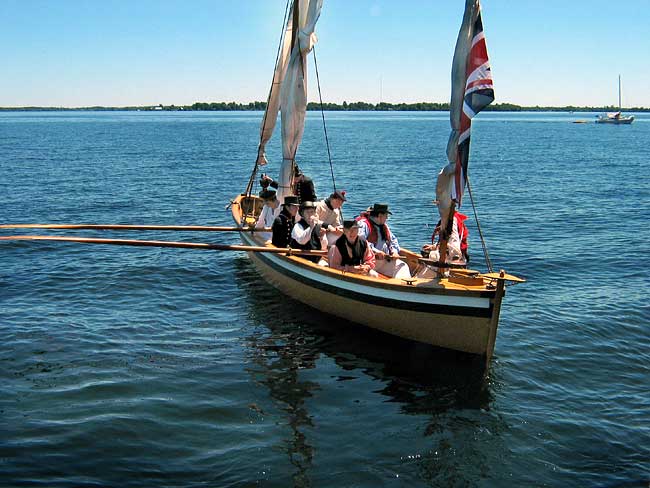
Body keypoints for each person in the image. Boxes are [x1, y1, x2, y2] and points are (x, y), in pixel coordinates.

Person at [357, 203, 412, 280]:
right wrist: (376, 251)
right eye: (386, 216)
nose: (387, 218)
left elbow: (393, 240)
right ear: (380, 216)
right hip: (369, 261)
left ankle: (402, 287)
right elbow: (360, 241)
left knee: (402, 265)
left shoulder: (384, 226)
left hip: (383, 260)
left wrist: (394, 251)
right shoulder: (363, 224)